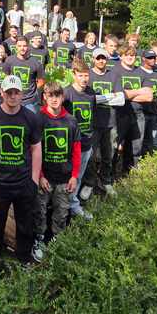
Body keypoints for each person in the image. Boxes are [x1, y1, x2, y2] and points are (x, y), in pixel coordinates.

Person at [0, 75, 42, 266]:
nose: (12, 96)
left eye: (16, 92)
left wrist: (34, 181)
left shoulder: (30, 117)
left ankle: (24, 261)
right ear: (1, 92)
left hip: (24, 184)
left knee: (25, 228)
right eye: (8, 92)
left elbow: (37, 148)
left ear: (22, 93)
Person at [32, 82, 81, 260]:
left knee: (61, 213)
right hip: (44, 176)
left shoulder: (71, 120)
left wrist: (74, 176)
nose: (54, 99)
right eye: (50, 95)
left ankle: (57, 240)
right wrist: (39, 176)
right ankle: (39, 238)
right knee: (40, 211)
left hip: (64, 177)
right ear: (44, 97)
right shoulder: (38, 119)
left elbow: (76, 150)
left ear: (63, 97)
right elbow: (33, 150)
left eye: (57, 95)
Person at [79, 48, 123, 199]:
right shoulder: (88, 76)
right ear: (93, 59)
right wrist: (110, 96)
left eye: (103, 58)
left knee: (109, 154)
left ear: (107, 59)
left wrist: (98, 98)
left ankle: (105, 181)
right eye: (98, 58)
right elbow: (87, 98)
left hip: (110, 122)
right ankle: (89, 183)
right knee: (90, 157)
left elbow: (121, 99)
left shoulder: (114, 75)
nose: (101, 61)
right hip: (92, 122)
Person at [113, 45, 153, 175]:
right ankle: (109, 174)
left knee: (135, 147)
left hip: (138, 115)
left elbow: (149, 97)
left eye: (132, 55)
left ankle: (130, 173)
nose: (130, 58)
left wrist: (127, 95)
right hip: (119, 114)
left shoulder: (142, 72)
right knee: (114, 146)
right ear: (121, 56)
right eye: (127, 55)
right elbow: (117, 95)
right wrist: (139, 91)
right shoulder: (115, 72)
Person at [64, 60, 97, 219]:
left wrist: (90, 145)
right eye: (80, 76)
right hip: (69, 145)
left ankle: (73, 205)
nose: (84, 79)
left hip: (85, 143)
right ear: (73, 75)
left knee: (78, 175)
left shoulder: (91, 93)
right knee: (67, 176)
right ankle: (63, 205)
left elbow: (91, 117)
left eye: (86, 76)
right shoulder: (67, 94)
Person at [4, 35, 45, 112]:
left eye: (24, 46)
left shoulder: (35, 62)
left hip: (29, 101)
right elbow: (7, 77)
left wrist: (32, 88)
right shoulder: (9, 60)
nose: (22, 48)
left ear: (28, 46)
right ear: (16, 47)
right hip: (13, 99)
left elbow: (41, 82)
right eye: (20, 46)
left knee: (30, 120)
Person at [139, 49, 157, 157]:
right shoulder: (138, 72)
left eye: (154, 58)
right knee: (138, 138)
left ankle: (147, 159)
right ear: (143, 59)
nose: (153, 60)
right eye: (150, 58)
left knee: (149, 138)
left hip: (153, 112)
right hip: (141, 112)